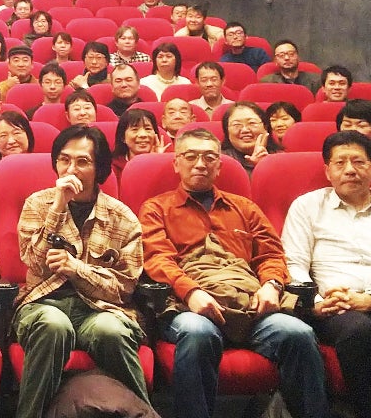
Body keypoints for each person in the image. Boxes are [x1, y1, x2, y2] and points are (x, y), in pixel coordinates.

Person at [140, 127, 332, 418]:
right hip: (188, 305)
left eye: (209, 158)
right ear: (176, 163)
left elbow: (271, 254)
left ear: (219, 166)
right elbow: (157, 259)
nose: (200, 164)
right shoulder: (157, 208)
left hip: (251, 304)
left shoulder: (244, 207)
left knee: (299, 333)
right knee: (197, 332)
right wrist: (191, 292)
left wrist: (271, 285)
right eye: (190, 156)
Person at [13, 125, 149, 418]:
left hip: (100, 308)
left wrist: (77, 269)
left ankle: (143, 413)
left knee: (111, 331)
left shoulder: (122, 218)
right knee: (53, 325)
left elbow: (124, 287)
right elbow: (33, 262)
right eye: (64, 159)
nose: (71, 169)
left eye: (82, 161)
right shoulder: (37, 204)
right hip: (44, 303)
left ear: (99, 168)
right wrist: (58, 206)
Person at [282, 130, 371, 418]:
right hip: (335, 307)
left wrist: (367, 300)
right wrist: (317, 303)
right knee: (358, 330)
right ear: (327, 171)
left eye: (359, 162)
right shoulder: (307, 206)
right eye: (340, 163)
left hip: (366, 300)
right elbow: (294, 264)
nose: (350, 170)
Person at [0, 110, 33, 225]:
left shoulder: (44, 165)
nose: (11, 141)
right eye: (3, 136)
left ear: (28, 135)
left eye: (17, 133)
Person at [220, 101, 280, 176]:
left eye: (252, 123)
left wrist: (263, 165)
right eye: (237, 125)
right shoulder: (219, 161)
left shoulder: (281, 159)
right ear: (227, 130)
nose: (245, 130)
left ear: (265, 127)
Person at [111, 108, 160, 179]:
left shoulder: (167, 166)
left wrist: (157, 161)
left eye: (148, 129)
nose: (143, 135)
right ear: (123, 137)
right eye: (135, 129)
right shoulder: (113, 169)